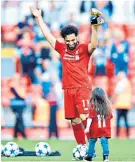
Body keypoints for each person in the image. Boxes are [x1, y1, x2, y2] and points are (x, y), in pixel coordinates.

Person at [30, 7, 104, 147]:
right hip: (68, 89)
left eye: (73, 40)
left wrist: (95, 28)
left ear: (77, 37)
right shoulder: (62, 49)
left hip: (82, 88)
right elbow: (48, 36)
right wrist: (39, 18)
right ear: (64, 40)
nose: (71, 43)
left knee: (84, 117)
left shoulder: (83, 49)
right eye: (68, 41)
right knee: (74, 121)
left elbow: (94, 44)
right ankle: (82, 148)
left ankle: (91, 149)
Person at [84, 87, 112, 162]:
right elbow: (110, 117)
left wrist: (87, 127)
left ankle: (89, 156)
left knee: (92, 141)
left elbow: (90, 118)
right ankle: (106, 157)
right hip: (104, 129)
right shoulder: (108, 107)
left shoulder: (93, 107)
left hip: (95, 129)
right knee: (104, 142)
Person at [114, 71, 132, 138]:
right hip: (126, 105)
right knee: (126, 120)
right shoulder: (128, 83)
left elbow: (117, 91)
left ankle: (117, 135)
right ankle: (128, 134)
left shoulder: (120, 83)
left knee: (118, 121)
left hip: (120, 104)